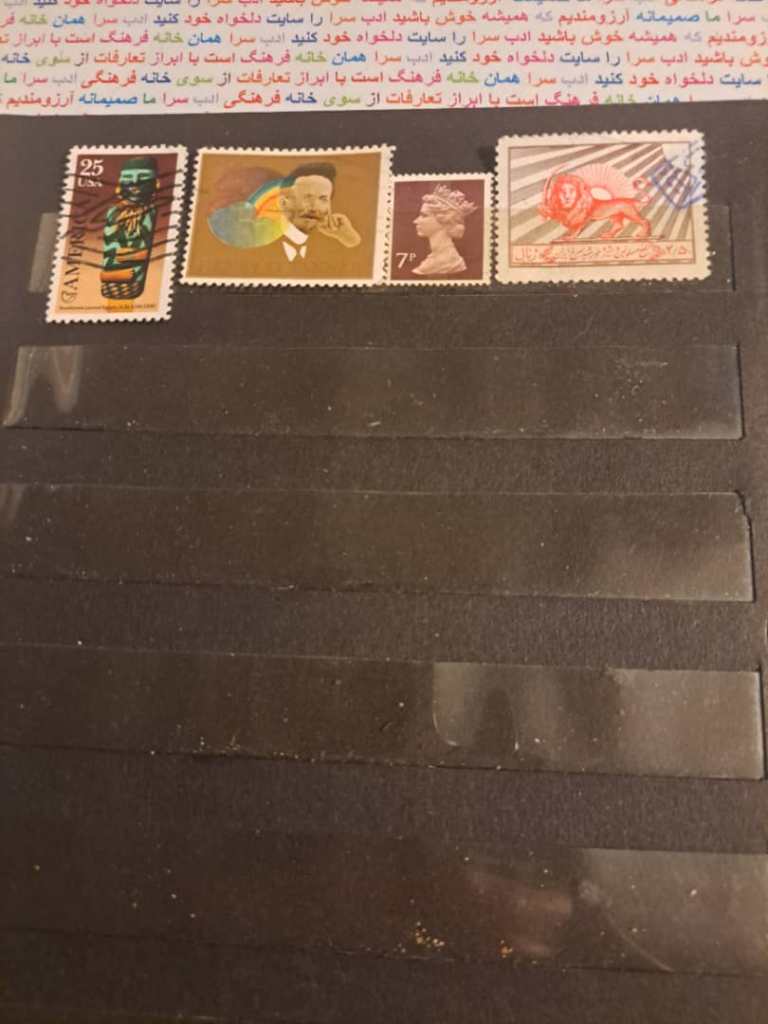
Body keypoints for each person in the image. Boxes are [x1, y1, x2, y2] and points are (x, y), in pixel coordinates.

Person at [206, 162, 360, 271]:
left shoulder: (330, 244)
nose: (314, 207)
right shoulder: (255, 238)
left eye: (323, 199)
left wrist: (348, 238)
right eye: (307, 197)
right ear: (284, 203)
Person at [411, 184, 477, 276]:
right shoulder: (435, 258)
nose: (415, 221)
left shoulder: (448, 261)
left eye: (424, 215)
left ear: (444, 220)